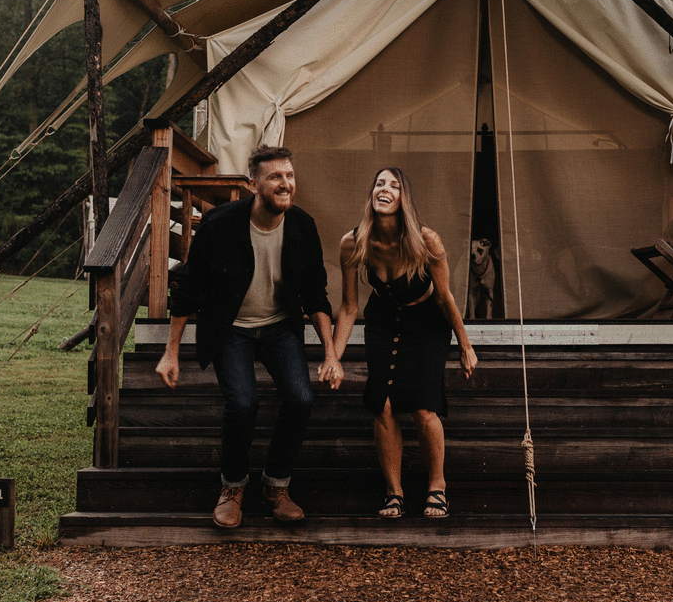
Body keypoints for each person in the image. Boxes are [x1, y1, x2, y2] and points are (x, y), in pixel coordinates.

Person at [156, 146, 344, 529]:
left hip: (278, 325)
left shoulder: (303, 226)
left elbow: (315, 293)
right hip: (230, 328)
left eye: (289, 175)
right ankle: (233, 487)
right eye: (275, 177)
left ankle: (276, 486)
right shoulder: (220, 225)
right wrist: (170, 353)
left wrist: (331, 353)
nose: (285, 183)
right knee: (242, 403)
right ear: (253, 183)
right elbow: (188, 287)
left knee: (301, 397)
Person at [333, 166, 477, 519]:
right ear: (372, 195)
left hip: (426, 322)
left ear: (403, 199)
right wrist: (333, 356)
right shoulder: (353, 242)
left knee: (423, 405)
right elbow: (350, 307)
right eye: (379, 183)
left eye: (394, 185)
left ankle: (437, 486)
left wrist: (465, 344)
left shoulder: (427, 240)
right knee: (382, 404)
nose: (385, 189)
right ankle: (393, 492)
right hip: (383, 321)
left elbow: (445, 299)